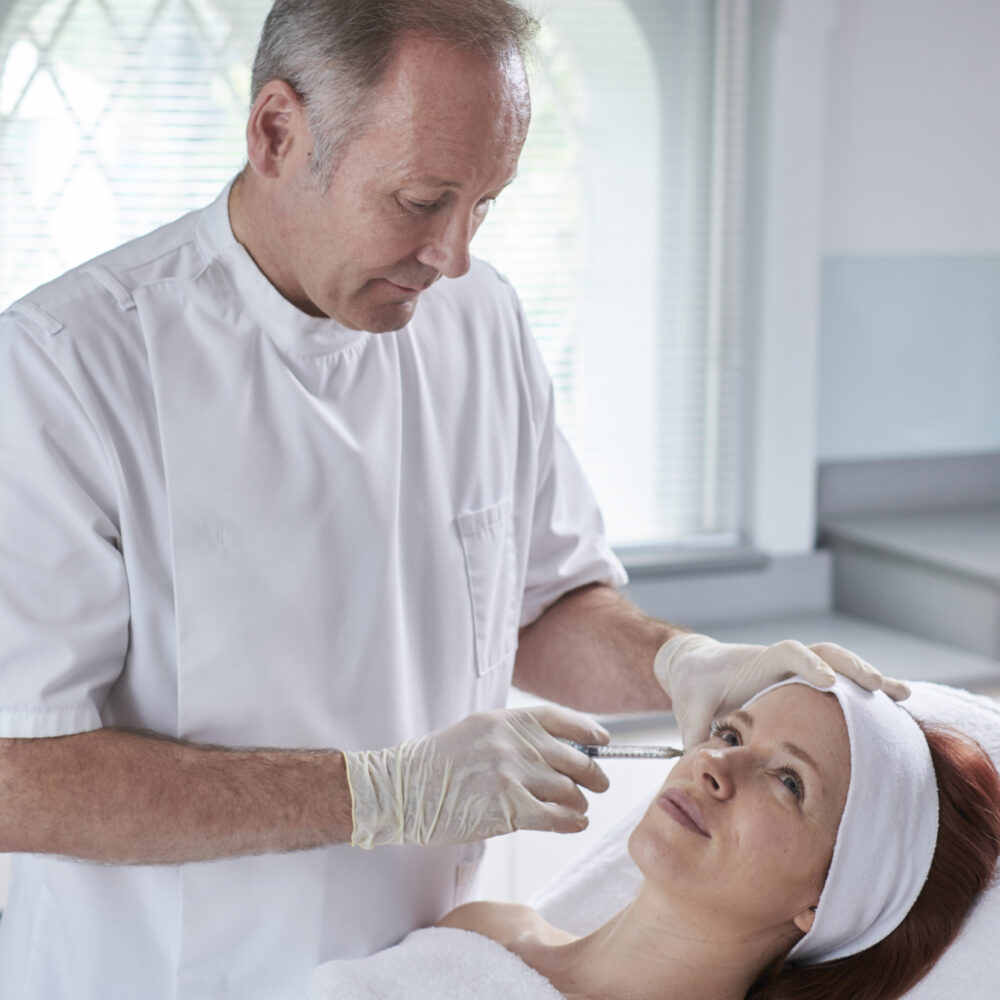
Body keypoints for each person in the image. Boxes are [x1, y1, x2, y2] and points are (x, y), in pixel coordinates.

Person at [0, 1, 903, 997]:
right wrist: (374, 793)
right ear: (275, 132)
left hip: (423, 964)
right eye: (422, 199)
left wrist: (682, 661)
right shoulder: (65, 372)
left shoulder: (479, 320)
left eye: (485, 204)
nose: (455, 254)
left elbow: (542, 603)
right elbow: (18, 779)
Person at [358, 677, 998, 1000]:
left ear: (826, 899)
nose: (715, 767)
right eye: (730, 734)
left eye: (788, 782)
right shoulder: (484, 929)